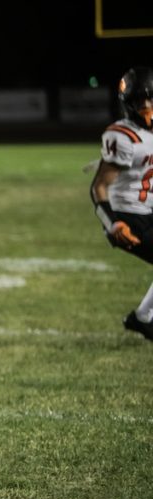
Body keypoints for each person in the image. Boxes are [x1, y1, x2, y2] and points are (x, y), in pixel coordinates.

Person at [90, 66, 153, 340]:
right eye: (140, 101)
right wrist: (112, 223)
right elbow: (99, 187)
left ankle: (142, 318)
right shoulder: (123, 136)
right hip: (127, 216)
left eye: (151, 99)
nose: (147, 106)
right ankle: (142, 318)